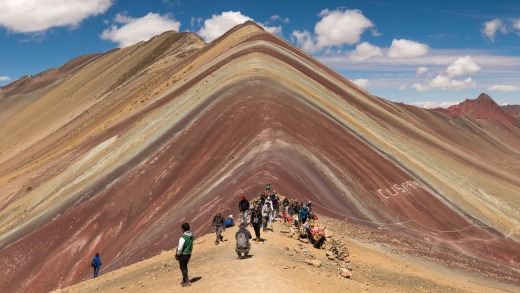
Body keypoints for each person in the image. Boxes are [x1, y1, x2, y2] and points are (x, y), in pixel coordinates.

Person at [176, 222, 194, 287]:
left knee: (182, 267)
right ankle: (184, 280)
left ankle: (187, 281)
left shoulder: (183, 237)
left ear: (183, 229)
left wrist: (178, 254)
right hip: (189, 253)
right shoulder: (191, 235)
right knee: (185, 266)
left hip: (183, 254)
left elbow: (180, 248)